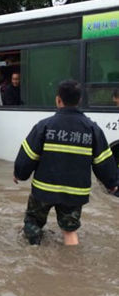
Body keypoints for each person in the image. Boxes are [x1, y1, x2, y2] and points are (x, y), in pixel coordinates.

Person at [14, 80, 118, 246]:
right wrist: (112, 184)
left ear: (58, 100)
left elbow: (28, 155)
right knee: (70, 231)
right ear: (79, 101)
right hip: (74, 193)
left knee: (33, 224)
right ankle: (73, 267)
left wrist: (19, 174)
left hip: (43, 190)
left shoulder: (45, 126)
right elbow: (103, 161)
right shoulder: (92, 129)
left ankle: (33, 256)